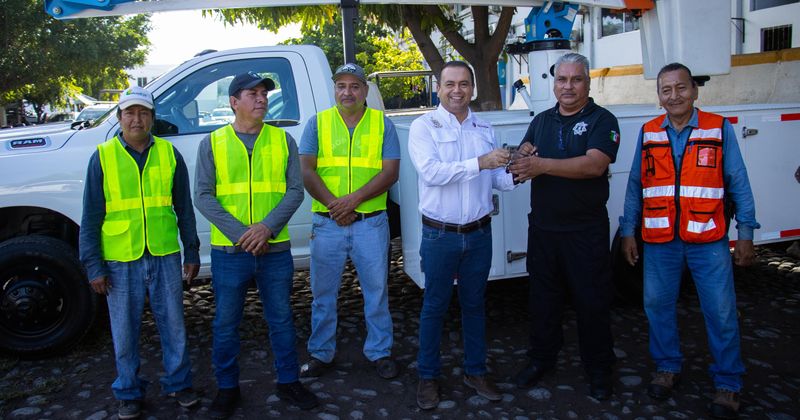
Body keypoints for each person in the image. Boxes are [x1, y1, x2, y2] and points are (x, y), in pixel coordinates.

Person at [619, 63, 759, 419]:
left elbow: (739, 182)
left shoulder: (718, 127)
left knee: (721, 312)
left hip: (708, 240)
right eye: (666, 90)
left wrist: (745, 234)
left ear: (694, 91)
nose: (674, 96)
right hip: (661, 239)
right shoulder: (649, 132)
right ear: (659, 97)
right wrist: (628, 231)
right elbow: (636, 185)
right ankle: (667, 367)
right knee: (656, 306)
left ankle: (728, 383)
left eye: (681, 88)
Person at [194, 72, 317, 418]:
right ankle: (227, 388)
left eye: (264, 93)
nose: (262, 98)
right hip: (230, 252)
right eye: (253, 93)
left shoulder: (282, 140)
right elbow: (203, 196)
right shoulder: (213, 142)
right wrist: (243, 234)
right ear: (234, 102)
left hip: (274, 249)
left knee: (281, 318)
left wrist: (266, 229)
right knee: (225, 324)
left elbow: (295, 190)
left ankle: (289, 381)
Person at [79, 86, 200, 419]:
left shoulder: (169, 154)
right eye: (130, 113)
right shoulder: (103, 157)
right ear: (120, 118)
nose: (137, 119)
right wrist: (94, 266)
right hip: (120, 258)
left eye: (143, 113)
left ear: (152, 118)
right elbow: (91, 215)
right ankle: (129, 391)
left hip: (164, 253)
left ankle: (179, 383)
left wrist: (191, 251)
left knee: (174, 326)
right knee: (124, 331)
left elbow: (184, 208)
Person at [509, 53, 619, 400]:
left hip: (585, 232)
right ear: (553, 83)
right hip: (544, 230)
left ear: (588, 83)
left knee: (592, 302)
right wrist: (520, 156)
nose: (568, 86)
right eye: (561, 79)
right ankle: (541, 360)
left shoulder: (602, 119)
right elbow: (522, 163)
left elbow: (594, 165)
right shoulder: (541, 120)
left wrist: (541, 164)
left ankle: (599, 369)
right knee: (543, 301)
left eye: (576, 79)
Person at [408, 61, 515, 410]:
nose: (458, 90)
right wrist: (481, 162)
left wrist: (520, 171)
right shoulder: (424, 126)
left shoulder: (484, 126)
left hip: (479, 233)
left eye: (464, 84)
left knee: (474, 305)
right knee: (434, 306)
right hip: (440, 235)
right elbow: (432, 173)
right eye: (450, 84)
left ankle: (475, 371)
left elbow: (495, 179)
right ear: (438, 88)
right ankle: (428, 376)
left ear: (472, 88)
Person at [298, 63, 400, 380]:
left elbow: (390, 173)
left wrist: (351, 202)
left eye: (355, 86)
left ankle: (380, 352)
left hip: (371, 223)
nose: (347, 92)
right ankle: (321, 353)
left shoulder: (382, 124)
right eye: (341, 86)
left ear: (365, 90)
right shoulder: (318, 123)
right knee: (322, 295)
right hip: (328, 223)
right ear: (335, 89)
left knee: (377, 293)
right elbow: (306, 171)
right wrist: (336, 207)